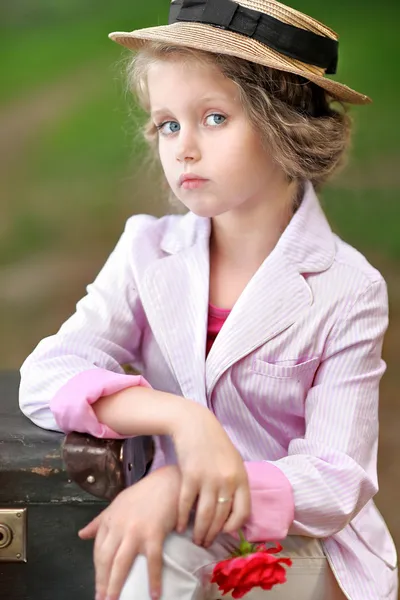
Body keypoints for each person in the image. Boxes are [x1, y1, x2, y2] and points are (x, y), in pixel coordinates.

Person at [19, 0, 398, 599]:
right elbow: (46, 375)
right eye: (168, 124)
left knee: (156, 557)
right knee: (142, 561)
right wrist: (180, 418)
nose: (183, 148)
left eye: (214, 118)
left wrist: (178, 487)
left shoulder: (347, 288)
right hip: (170, 525)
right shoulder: (148, 248)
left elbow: (335, 480)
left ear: (287, 129)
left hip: (298, 540)